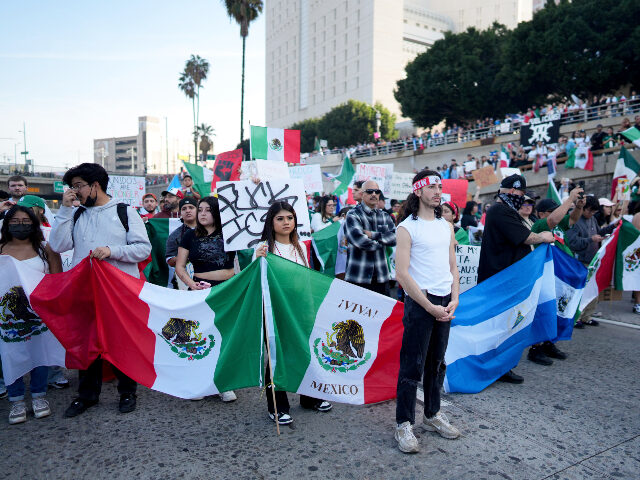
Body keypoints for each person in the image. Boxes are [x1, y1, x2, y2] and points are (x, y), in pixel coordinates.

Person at [49, 163, 152, 417]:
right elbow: (57, 245)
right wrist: (64, 209)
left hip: (118, 292)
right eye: (72, 187)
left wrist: (112, 251)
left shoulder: (124, 211)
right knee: (86, 343)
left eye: (78, 186)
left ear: (95, 185)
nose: (74, 192)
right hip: (85, 291)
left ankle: (127, 392)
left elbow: (143, 249)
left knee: (121, 341)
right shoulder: (75, 214)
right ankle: (87, 395)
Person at [394, 170, 460, 453]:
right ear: (418, 191)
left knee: (437, 362)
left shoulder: (446, 226)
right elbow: (402, 273)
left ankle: (432, 415)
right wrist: (428, 306)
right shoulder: (407, 227)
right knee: (412, 365)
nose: (437, 191)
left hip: (445, 301)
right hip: (421, 304)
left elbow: (453, 267)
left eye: (440, 186)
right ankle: (404, 424)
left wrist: (454, 299)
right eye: (432, 186)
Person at [256, 202, 333, 424]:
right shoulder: (263, 248)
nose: (286, 222)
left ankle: (310, 398)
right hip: (276, 310)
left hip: (301, 310)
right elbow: (257, 281)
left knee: (304, 350)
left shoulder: (302, 246)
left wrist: (310, 309)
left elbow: (307, 279)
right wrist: (258, 258)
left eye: (289, 217)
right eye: (280, 218)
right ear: (271, 222)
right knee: (276, 356)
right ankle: (277, 406)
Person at [477, 174, 554, 384]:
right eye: (522, 194)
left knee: (506, 325)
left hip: (505, 279)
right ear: (513, 192)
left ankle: (501, 366)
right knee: (502, 326)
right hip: (500, 279)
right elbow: (526, 237)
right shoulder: (500, 210)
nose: (523, 198)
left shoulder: (504, 211)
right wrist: (544, 237)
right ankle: (498, 367)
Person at [1, 205, 63, 424]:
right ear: (6, 225)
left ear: (34, 223)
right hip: (6, 316)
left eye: (25, 221)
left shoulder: (45, 249)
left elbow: (56, 280)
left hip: (38, 314)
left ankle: (39, 395)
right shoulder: (0, 249)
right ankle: (16, 399)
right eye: (14, 221)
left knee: (40, 354)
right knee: (10, 355)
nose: (20, 225)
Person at [175, 196, 237, 402]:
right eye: (199, 209)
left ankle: (223, 382)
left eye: (207, 210)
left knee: (225, 336)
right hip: (201, 290)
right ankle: (201, 383)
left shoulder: (230, 232)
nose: (202, 213)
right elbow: (180, 267)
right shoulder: (189, 236)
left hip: (228, 290)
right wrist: (191, 285)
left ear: (217, 212)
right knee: (203, 337)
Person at [526, 187, 585, 365]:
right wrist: (569, 199)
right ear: (541, 213)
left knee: (560, 309)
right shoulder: (539, 225)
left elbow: (573, 218)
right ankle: (535, 348)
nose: (557, 214)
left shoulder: (559, 226)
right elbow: (552, 219)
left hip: (562, 275)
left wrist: (579, 206)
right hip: (547, 275)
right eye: (552, 210)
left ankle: (549, 343)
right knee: (544, 310)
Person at [565, 196, 619, 328]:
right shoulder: (575, 220)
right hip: (579, 261)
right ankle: (575, 317)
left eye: (594, 212)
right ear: (583, 208)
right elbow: (572, 242)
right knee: (580, 292)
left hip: (593, 261)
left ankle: (587, 316)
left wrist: (612, 227)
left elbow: (598, 232)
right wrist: (590, 239)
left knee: (593, 291)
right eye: (589, 211)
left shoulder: (592, 219)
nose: (591, 214)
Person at [344, 180, 396, 295]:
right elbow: (361, 242)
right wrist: (383, 241)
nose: (374, 194)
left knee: (383, 312)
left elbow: (395, 238)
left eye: (377, 192)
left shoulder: (385, 216)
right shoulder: (352, 215)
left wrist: (373, 235)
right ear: (362, 194)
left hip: (381, 278)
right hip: (358, 278)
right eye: (369, 191)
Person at [165, 197, 198, 289]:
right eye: (184, 208)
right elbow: (170, 260)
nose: (188, 211)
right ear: (180, 213)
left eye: (191, 207)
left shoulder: (209, 230)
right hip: (185, 283)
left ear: (198, 210)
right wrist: (186, 257)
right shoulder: (175, 235)